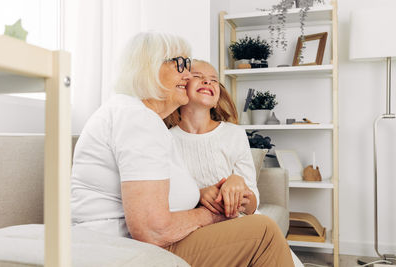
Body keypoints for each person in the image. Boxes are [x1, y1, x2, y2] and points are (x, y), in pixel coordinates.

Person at [71, 31, 294, 266]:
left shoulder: (140, 118)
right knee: (263, 232)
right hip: (122, 248)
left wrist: (210, 195)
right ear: (150, 68)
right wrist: (214, 214)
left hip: (131, 243)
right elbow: (152, 231)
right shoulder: (137, 119)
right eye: (181, 64)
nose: (187, 75)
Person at [165, 59, 258, 218]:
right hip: (193, 223)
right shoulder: (166, 139)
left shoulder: (234, 134)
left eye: (214, 79)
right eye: (197, 76)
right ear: (181, 88)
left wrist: (238, 184)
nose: (207, 81)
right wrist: (198, 195)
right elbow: (163, 197)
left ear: (216, 100)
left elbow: (252, 207)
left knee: (264, 225)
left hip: (235, 222)